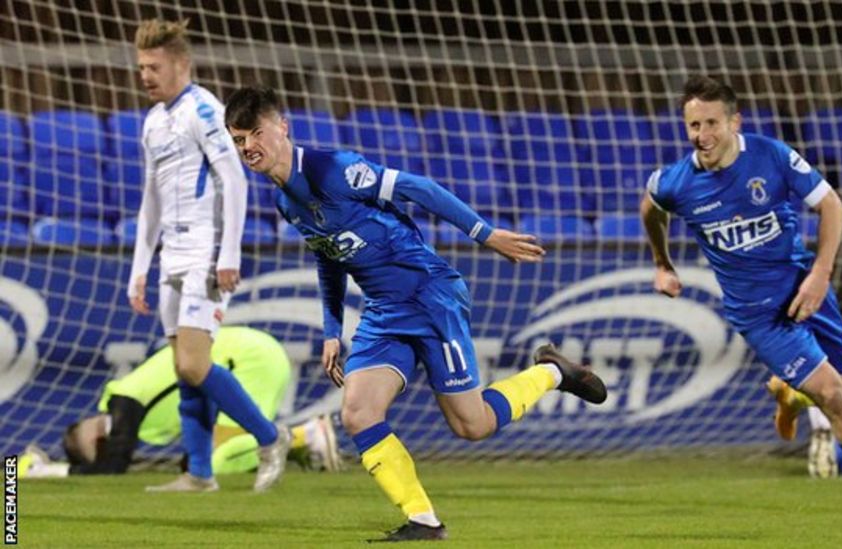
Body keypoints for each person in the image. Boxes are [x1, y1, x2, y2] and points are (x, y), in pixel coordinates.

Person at [223, 85, 608, 542]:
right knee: (358, 412)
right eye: (238, 139)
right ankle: (423, 520)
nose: (248, 147)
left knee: (472, 425)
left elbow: (419, 187)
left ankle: (552, 373)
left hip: (429, 297)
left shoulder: (334, 169)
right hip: (383, 311)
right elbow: (328, 256)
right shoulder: (286, 202)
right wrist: (331, 329)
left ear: (282, 127)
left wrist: (484, 234)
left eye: (256, 133)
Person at [639, 74, 842, 514]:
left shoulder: (771, 156)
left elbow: (831, 205)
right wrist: (662, 264)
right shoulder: (676, 182)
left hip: (807, 289)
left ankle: (791, 394)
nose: (702, 135)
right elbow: (650, 208)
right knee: (834, 397)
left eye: (712, 123)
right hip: (760, 316)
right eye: (694, 125)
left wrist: (820, 275)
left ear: (734, 121)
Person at [127, 19, 290, 493]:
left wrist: (228, 252)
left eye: (154, 66)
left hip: (205, 251)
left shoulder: (205, 110)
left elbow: (235, 179)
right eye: (142, 67)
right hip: (171, 256)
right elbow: (151, 200)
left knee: (195, 364)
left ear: (181, 64)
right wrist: (140, 268)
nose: (145, 75)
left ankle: (269, 436)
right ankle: (199, 473)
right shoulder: (154, 121)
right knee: (184, 369)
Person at [17, 326, 343, 480]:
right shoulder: (128, 402)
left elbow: (114, 467)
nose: (106, 447)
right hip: (254, 355)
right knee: (195, 464)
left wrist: (47, 471)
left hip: (249, 360)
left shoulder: (124, 398)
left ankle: (303, 436)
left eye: (98, 449)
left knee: (211, 466)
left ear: (95, 438)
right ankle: (302, 445)